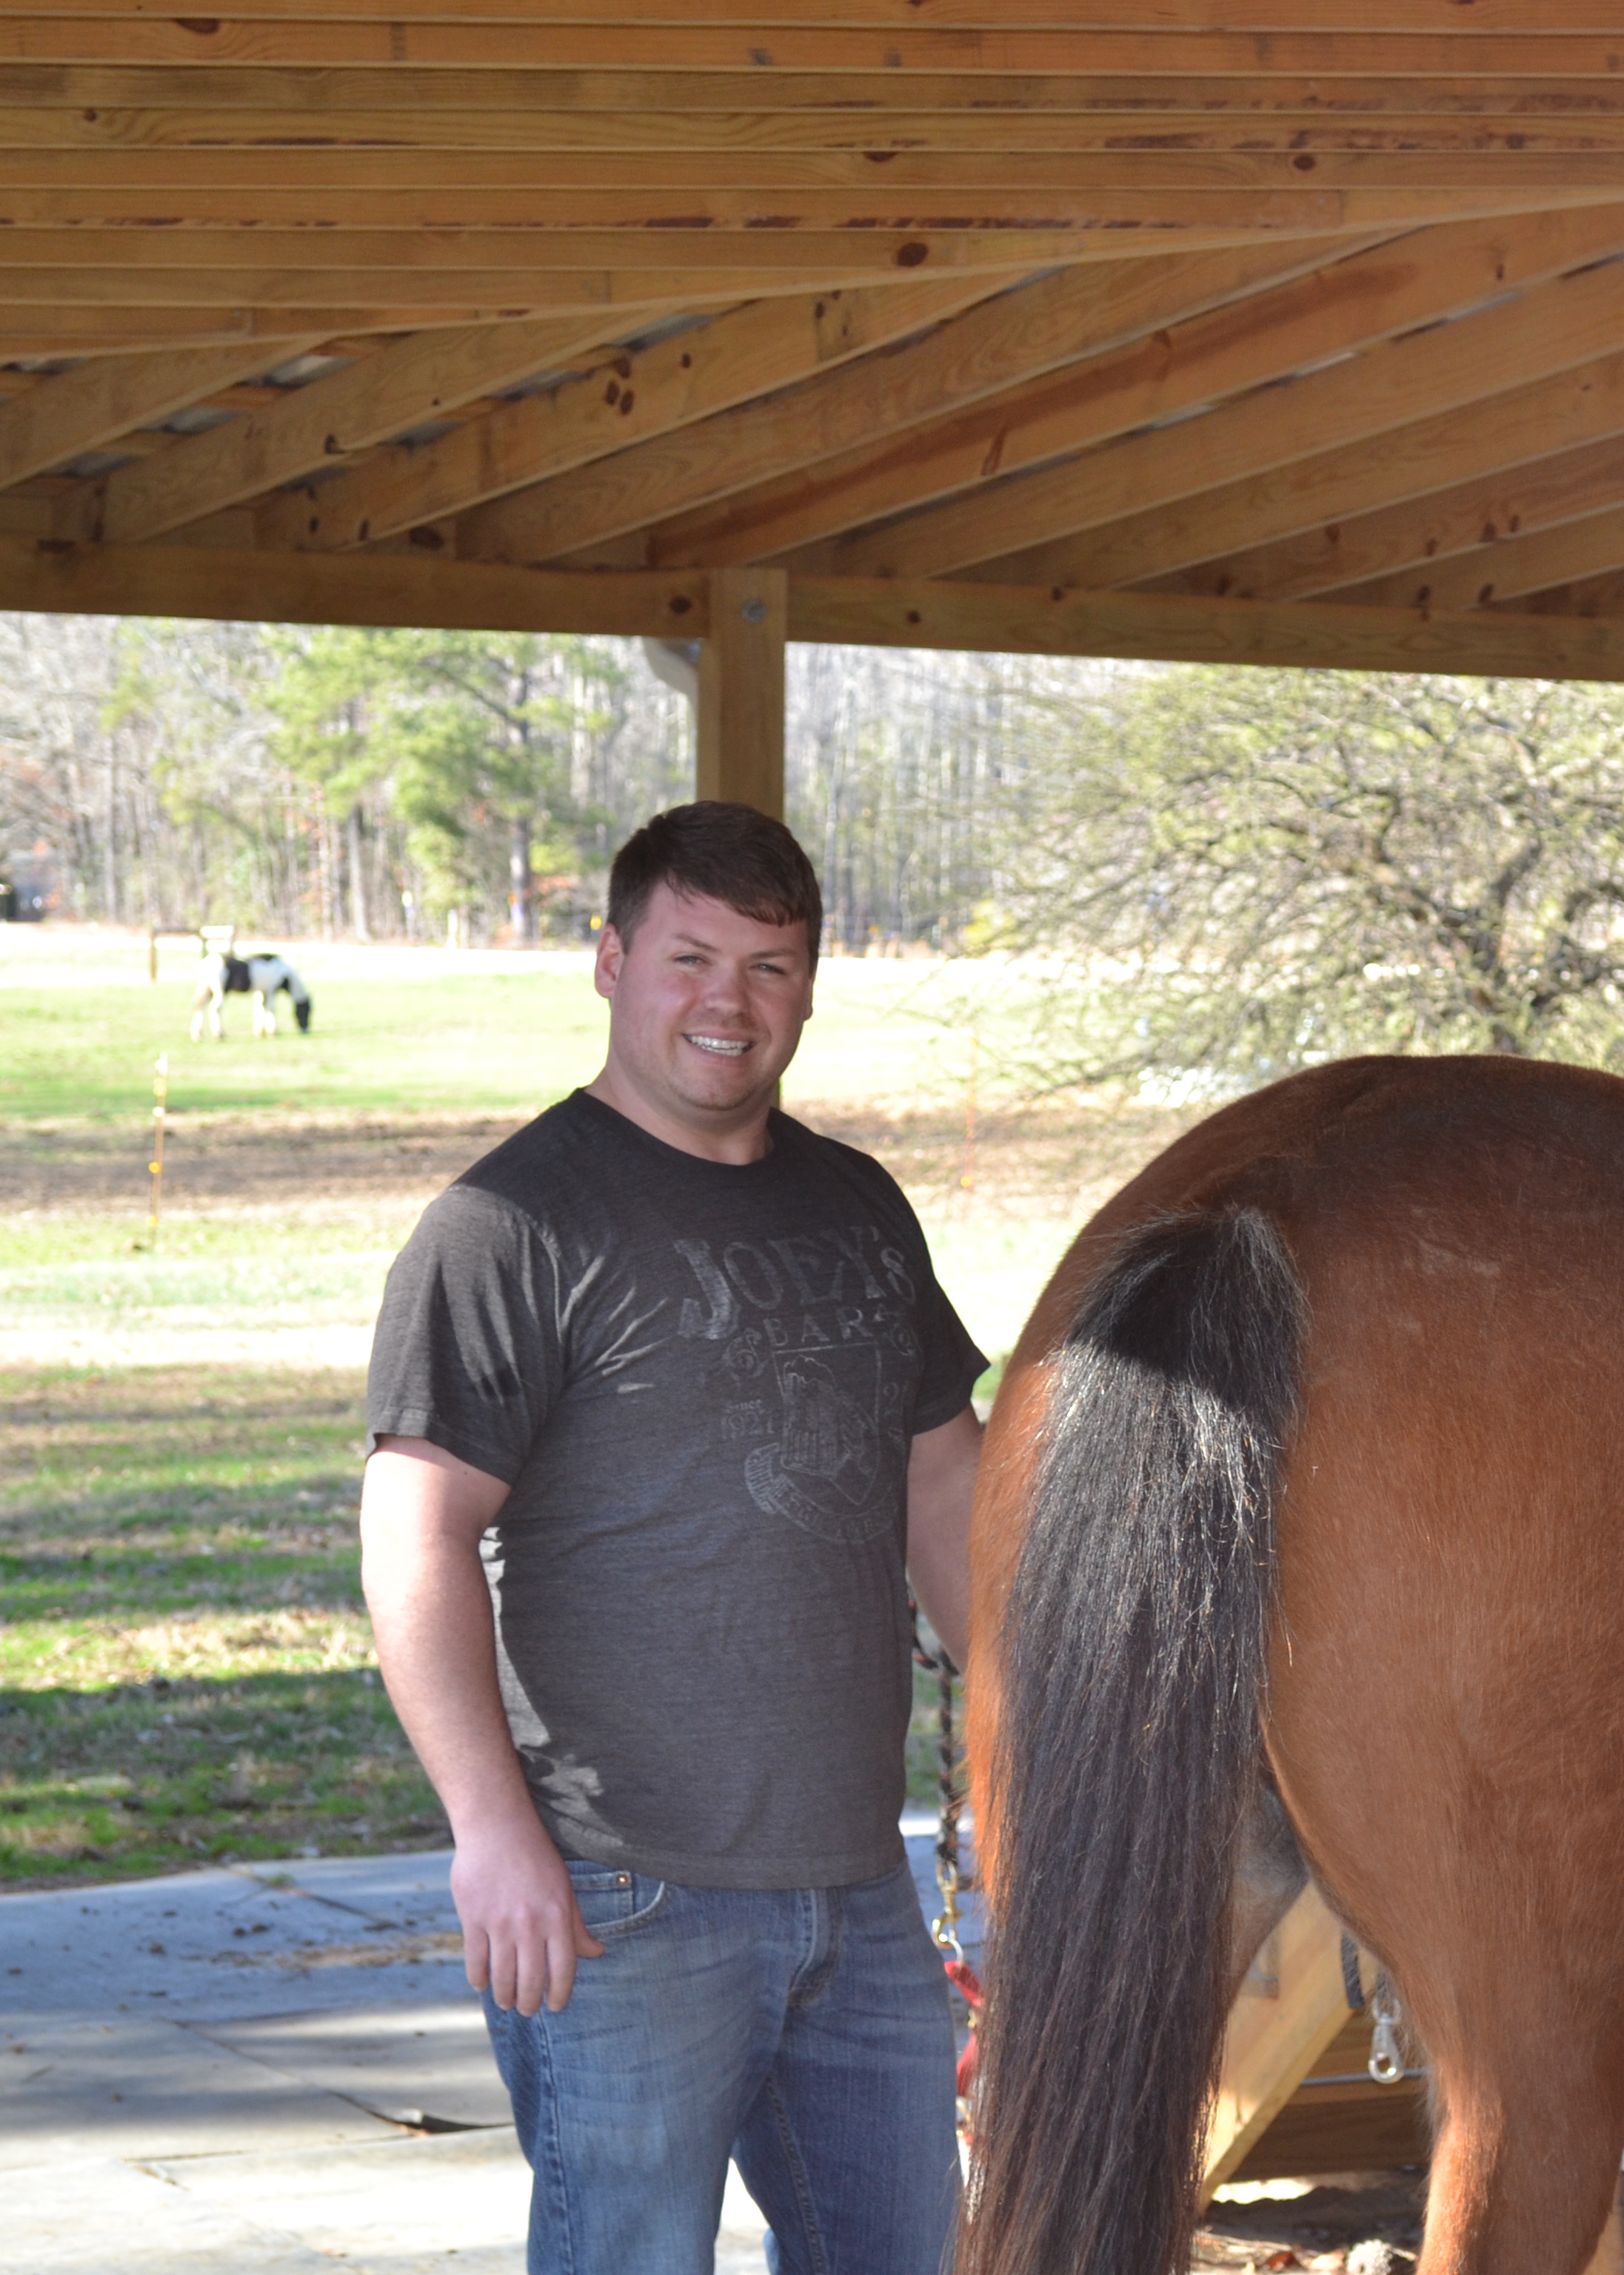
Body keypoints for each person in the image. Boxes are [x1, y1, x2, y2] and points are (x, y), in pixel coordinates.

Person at [360, 801, 986, 2271]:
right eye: (691, 957)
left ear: (812, 984)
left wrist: (1016, 1737)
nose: (731, 1003)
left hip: (856, 1882)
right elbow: (414, 1538)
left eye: (771, 967)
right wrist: (489, 1831)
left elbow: (945, 1487)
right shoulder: (507, 1227)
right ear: (611, 961)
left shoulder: (859, 1206)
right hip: (617, 1896)